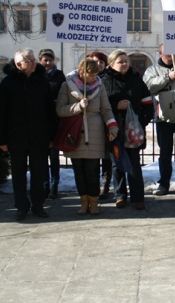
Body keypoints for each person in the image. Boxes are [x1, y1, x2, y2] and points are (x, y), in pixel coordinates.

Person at [0, 48, 58, 221]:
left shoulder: (42, 81)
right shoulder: (8, 83)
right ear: (18, 65)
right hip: (16, 136)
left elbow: (49, 111)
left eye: (33, 59)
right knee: (18, 173)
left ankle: (38, 205)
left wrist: (51, 136)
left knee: (39, 172)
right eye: (28, 60)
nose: (33, 63)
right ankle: (21, 206)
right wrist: (2, 139)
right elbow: (1, 112)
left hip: (39, 135)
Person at [57, 59, 118, 215]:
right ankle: (83, 202)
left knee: (92, 170)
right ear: (82, 72)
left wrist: (112, 126)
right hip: (75, 132)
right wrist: (78, 106)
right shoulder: (67, 86)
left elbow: (106, 109)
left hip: (94, 132)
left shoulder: (100, 86)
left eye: (95, 75)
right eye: (90, 75)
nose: (93, 78)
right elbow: (60, 110)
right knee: (79, 170)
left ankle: (94, 201)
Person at [102, 50, 153, 210]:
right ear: (111, 64)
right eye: (120, 61)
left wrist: (141, 122)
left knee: (134, 164)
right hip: (114, 129)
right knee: (117, 163)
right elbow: (101, 106)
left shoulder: (136, 80)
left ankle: (138, 197)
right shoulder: (104, 81)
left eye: (125, 61)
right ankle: (120, 196)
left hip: (133, 131)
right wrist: (116, 107)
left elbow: (147, 103)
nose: (124, 64)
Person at [143, 44, 175, 196]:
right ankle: (164, 183)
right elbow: (148, 86)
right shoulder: (152, 70)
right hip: (163, 118)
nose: (169, 55)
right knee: (165, 153)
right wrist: (167, 77)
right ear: (160, 53)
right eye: (166, 53)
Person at [39, 48, 66, 200]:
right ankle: (44, 185)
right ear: (40, 61)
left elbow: (63, 93)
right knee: (42, 156)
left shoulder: (59, 75)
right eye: (45, 60)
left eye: (50, 60)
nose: (48, 63)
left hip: (55, 120)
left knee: (54, 156)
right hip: (42, 120)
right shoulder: (37, 76)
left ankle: (54, 185)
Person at [87, 51, 113, 199]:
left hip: (106, 121)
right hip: (91, 122)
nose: (97, 65)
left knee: (107, 157)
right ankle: (93, 185)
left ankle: (106, 185)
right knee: (92, 156)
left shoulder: (108, 79)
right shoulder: (85, 80)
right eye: (94, 62)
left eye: (101, 63)